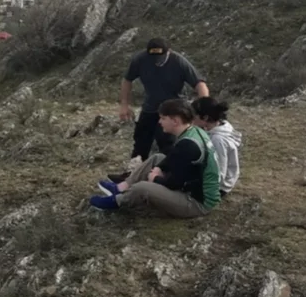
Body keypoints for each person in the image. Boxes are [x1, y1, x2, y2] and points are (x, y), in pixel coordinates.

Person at [90, 99, 220, 218]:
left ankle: (117, 201)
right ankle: (121, 187)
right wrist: (159, 167)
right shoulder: (194, 132)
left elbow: (175, 184)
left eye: (163, 118)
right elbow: (173, 158)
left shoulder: (188, 145)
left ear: (175, 121)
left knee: (142, 188)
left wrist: (156, 179)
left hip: (197, 203)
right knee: (157, 158)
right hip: (193, 188)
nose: (159, 122)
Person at [115, 38, 209, 178]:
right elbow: (127, 80)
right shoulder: (140, 59)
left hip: (173, 110)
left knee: (167, 143)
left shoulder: (179, 62)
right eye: (153, 58)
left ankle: (163, 175)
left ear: (168, 52)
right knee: (141, 141)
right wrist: (124, 105)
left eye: (160, 57)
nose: (157, 61)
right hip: (150, 107)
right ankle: (132, 174)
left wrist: (202, 109)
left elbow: (200, 85)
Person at [192, 97, 242, 197]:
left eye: (194, 116)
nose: (191, 118)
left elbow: (219, 170)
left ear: (205, 118)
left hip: (219, 187)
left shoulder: (218, 140)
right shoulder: (219, 127)